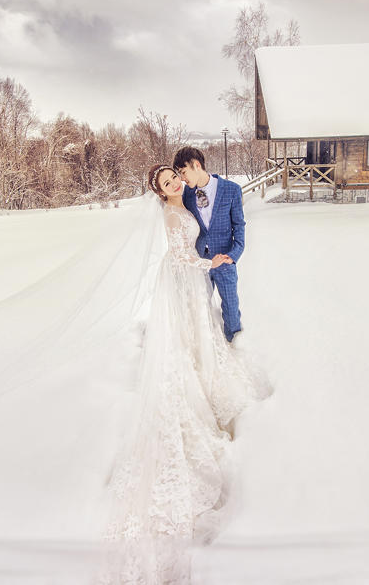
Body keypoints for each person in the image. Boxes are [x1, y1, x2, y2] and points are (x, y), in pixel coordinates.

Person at [97, 164, 273, 585]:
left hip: (188, 281)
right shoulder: (174, 213)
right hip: (181, 280)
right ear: (160, 194)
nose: (174, 182)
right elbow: (180, 255)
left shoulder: (188, 200)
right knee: (186, 338)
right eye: (166, 182)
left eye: (174, 176)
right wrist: (208, 261)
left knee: (198, 331)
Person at [172, 147, 245, 344]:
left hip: (224, 259)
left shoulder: (232, 190)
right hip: (200, 262)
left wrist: (234, 254)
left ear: (196, 165)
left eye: (183, 172)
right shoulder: (186, 195)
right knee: (200, 306)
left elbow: (239, 225)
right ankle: (206, 345)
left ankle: (235, 343)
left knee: (230, 305)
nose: (183, 178)